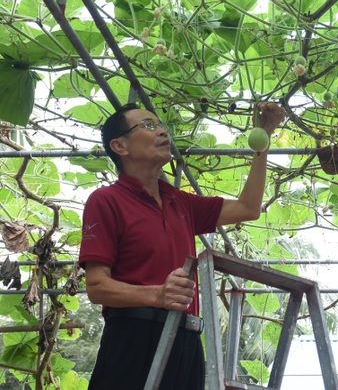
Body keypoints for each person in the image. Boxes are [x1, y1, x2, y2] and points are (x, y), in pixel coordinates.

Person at [79, 102, 285, 390]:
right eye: (148, 125)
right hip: (134, 337)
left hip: (187, 341)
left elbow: (248, 207)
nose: (162, 130)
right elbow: (97, 287)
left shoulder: (181, 202)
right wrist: (157, 294)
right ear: (120, 146)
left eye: (161, 125)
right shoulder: (106, 200)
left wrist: (263, 138)